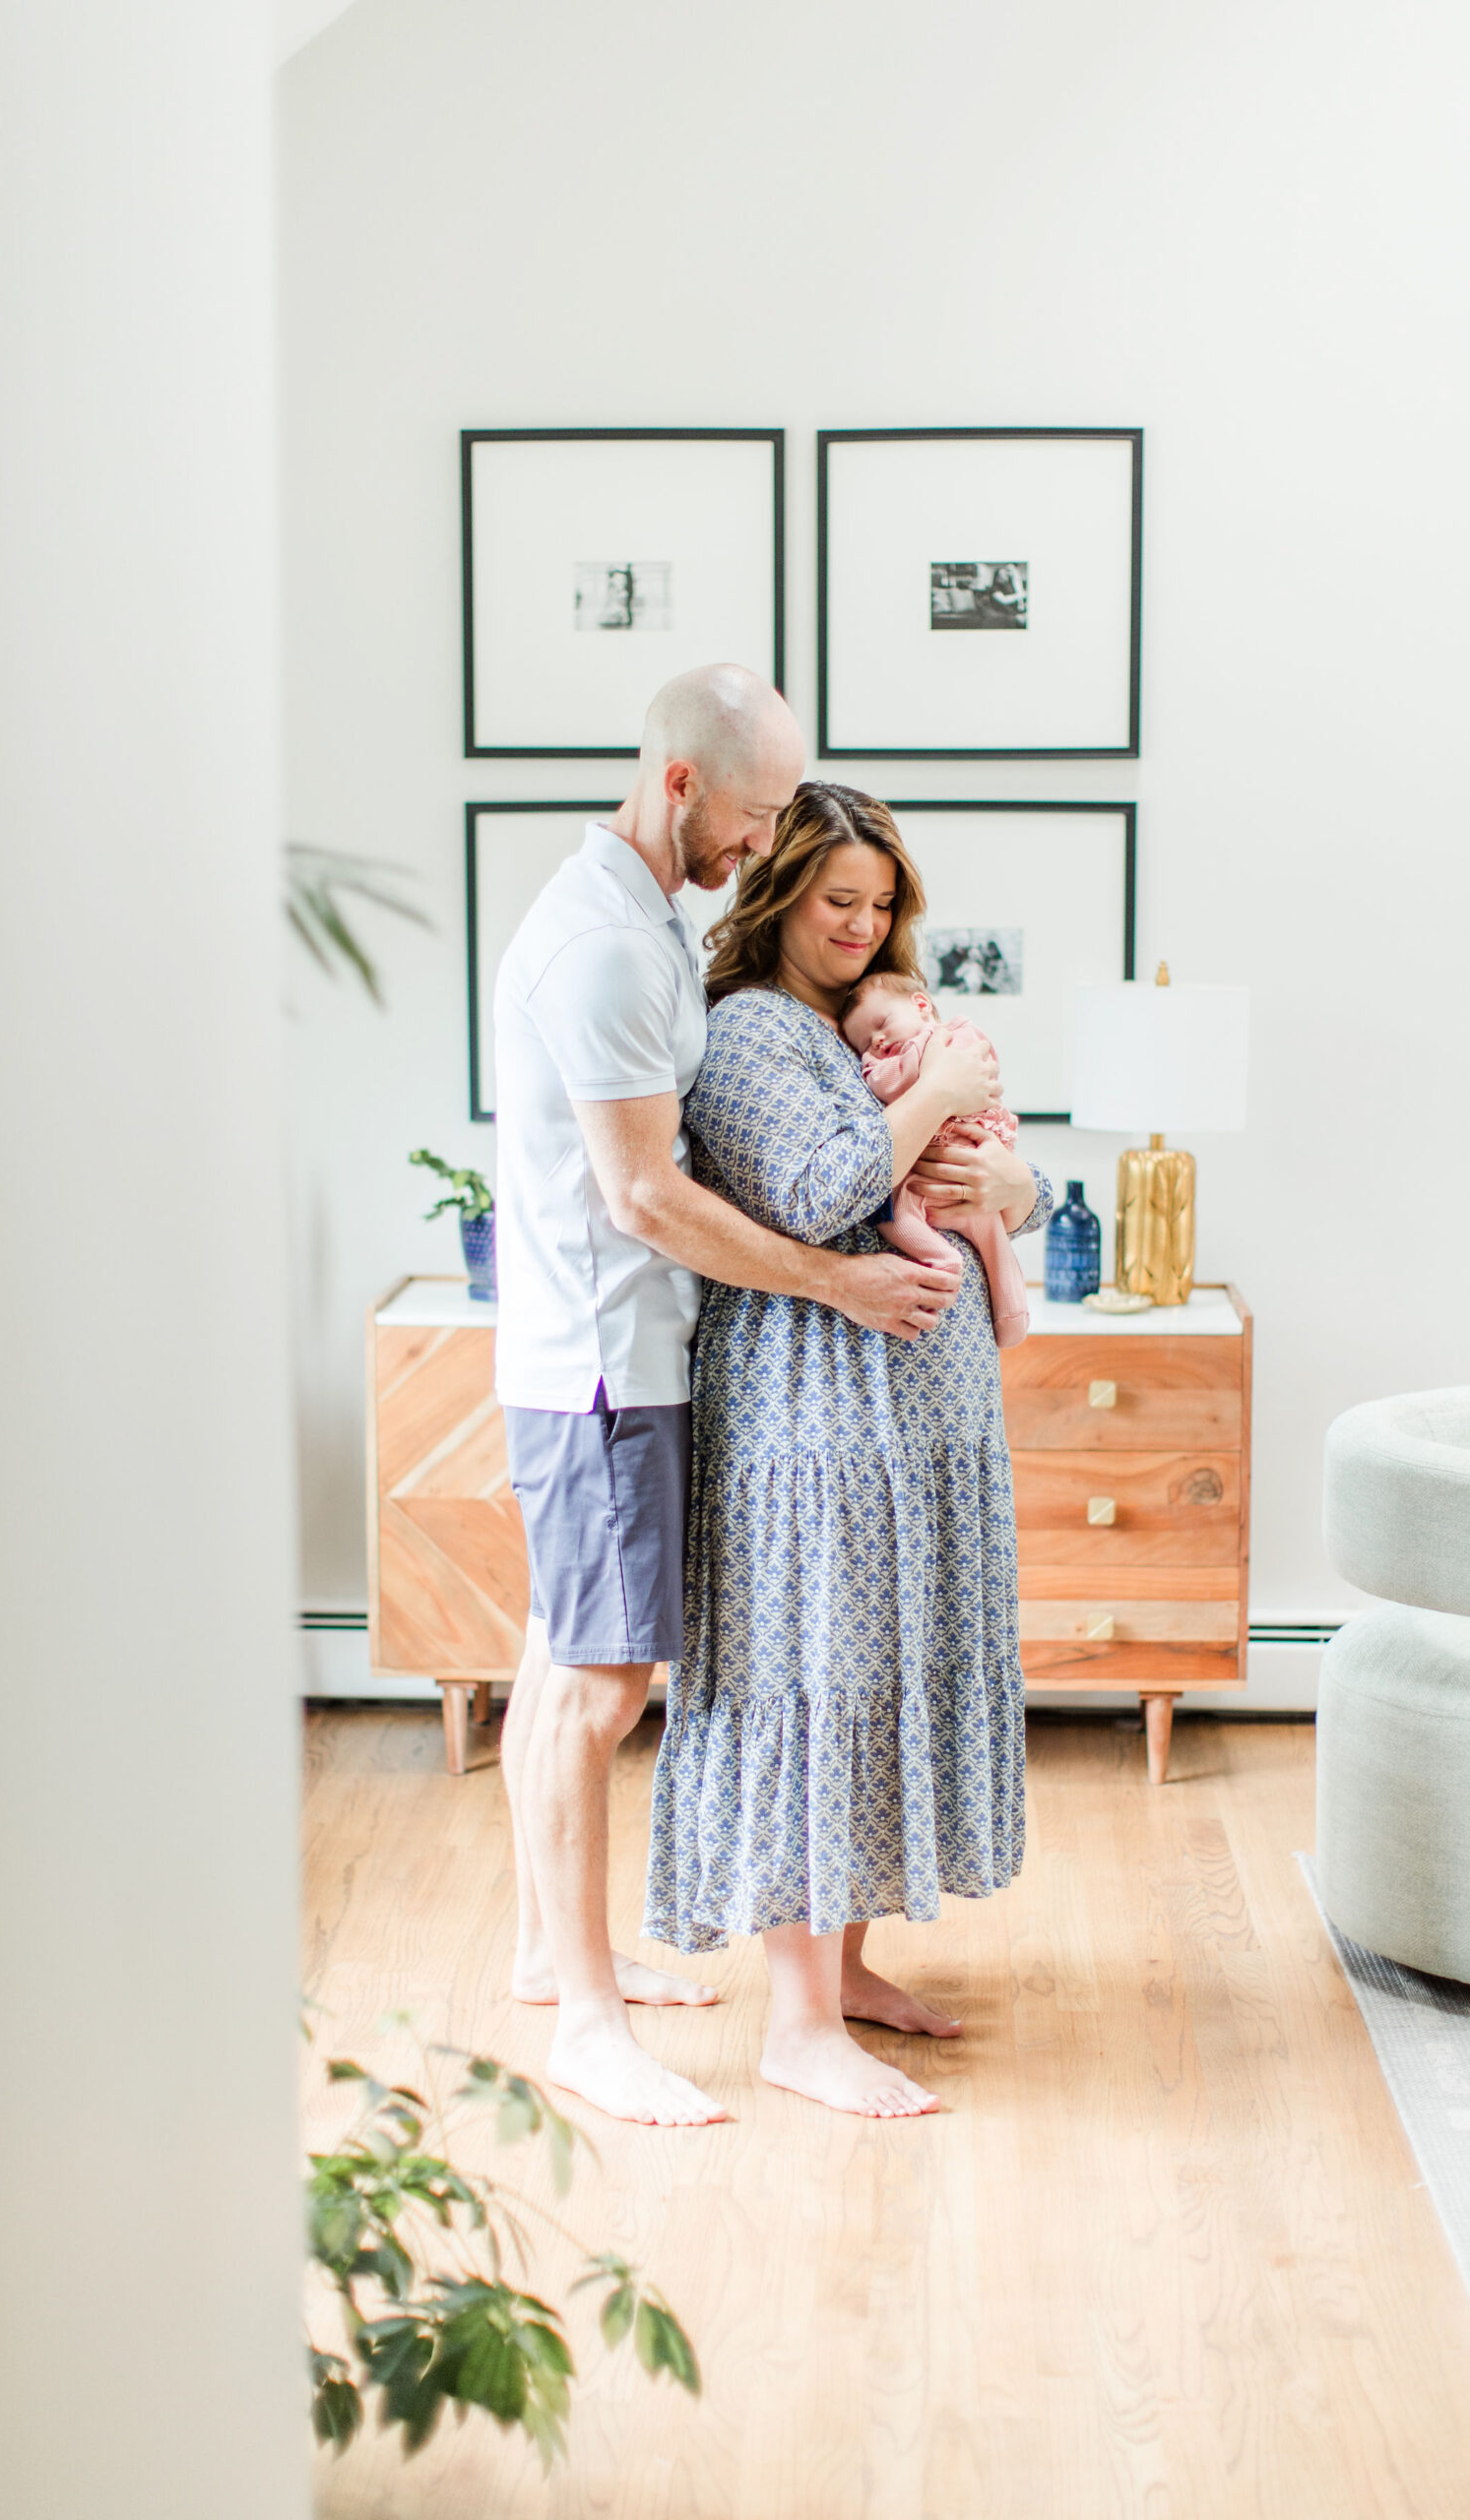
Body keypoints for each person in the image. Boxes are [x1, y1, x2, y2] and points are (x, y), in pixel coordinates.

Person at [493, 669, 963, 2131]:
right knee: (599, 1685)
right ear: (680, 784)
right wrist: (835, 1286)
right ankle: (581, 2020)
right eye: (756, 817)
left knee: (557, 1665)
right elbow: (643, 1194)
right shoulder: (607, 952)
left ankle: (541, 1956)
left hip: (619, 1355)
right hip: (603, 1363)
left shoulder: (641, 926)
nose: (761, 847)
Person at [643, 782, 1052, 2119]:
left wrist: (1006, 1185)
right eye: (838, 903)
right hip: (812, 1424)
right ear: (779, 899)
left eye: (881, 907)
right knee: (815, 1677)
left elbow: (1010, 1175)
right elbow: (822, 1195)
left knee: (883, 1676)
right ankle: (797, 2023)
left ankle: (852, 1973)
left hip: (916, 1426)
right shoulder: (752, 1032)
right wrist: (937, 1088)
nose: (863, 927)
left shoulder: (871, 1024)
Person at [841, 971, 1030, 1352]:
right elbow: (885, 1083)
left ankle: (1014, 1314)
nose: (876, 1041)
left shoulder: (960, 1034)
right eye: (865, 1042)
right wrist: (929, 1072)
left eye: (881, 1024)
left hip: (971, 1161)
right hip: (918, 1183)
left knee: (994, 1240)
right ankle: (944, 1261)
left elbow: (975, 1070)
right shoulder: (881, 1066)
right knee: (893, 1217)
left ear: (921, 1006)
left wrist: (927, 1068)